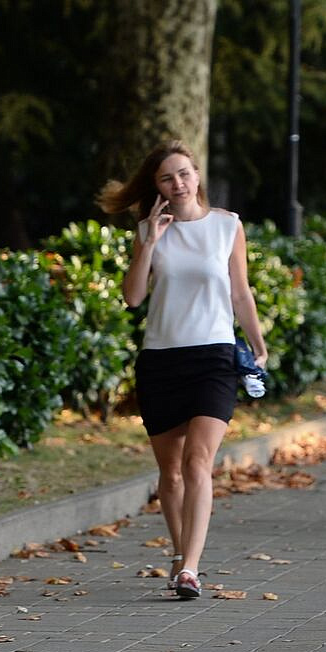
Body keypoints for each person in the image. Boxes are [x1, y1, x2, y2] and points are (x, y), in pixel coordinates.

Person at [97, 140, 269, 600]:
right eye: (167, 178)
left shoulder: (227, 225)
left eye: (185, 173)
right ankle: (178, 557)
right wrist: (149, 244)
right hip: (161, 361)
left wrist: (258, 343)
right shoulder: (148, 231)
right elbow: (133, 297)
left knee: (198, 462)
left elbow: (240, 292)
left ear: (197, 175)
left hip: (214, 358)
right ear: (157, 187)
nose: (179, 183)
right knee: (170, 473)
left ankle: (191, 568)